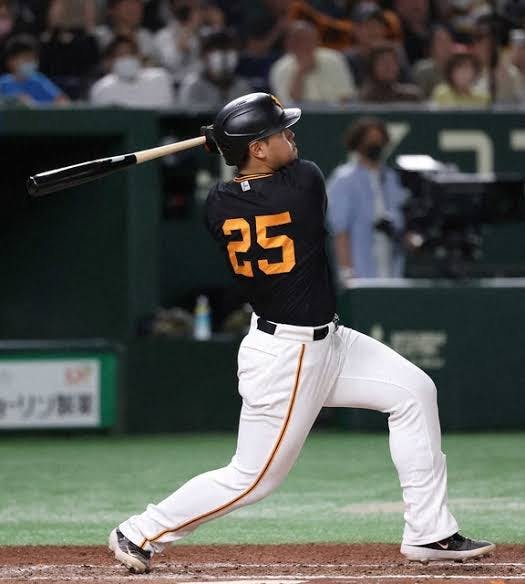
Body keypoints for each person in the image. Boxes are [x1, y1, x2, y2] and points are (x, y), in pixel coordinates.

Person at [108, 92, 495, 574]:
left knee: (414, 392)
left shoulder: (219, 203)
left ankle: (429, 533)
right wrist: (226, 140)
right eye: (278, 132)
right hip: (287, 356)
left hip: (328, 342)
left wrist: (228, 143)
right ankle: (141, 530)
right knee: (252, 478)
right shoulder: (304, 184)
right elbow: (282, 168)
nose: (291, 135)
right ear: (256, 149)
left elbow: (248, 176)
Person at [327, 117, 407, 281]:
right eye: (369, 140)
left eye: (379, 140)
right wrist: (346, 271)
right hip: (361, 274)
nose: (375, 145)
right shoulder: (344, 180)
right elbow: (340, 231)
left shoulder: (392, 178)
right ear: (358, 143)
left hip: (393, 272)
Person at [269, 20, 356, 104]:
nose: (304, 44)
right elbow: (289, 105)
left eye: (308, 39)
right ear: (288, 43)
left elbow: (347, 98)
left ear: (317, 41)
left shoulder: (333, 59)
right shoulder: (280, 68)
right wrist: (300, 72)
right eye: (298, 40)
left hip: (334, 113)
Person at [89, 35, 174, 107]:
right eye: (121, 55)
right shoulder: (101, 89)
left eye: (130, 53)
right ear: (109, 61)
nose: (126, 58)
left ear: (139, 56)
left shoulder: (160, 78)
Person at [178, 28, 252, 109]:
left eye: (228, 49)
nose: (223, 54)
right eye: (217, 49)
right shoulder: (193, 86)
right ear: (204, 55)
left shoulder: (242, 86)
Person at [0, 34, 69, 104]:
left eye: (33, 58)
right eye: (26, 58)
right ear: (11, 61)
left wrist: (34, 104)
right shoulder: (3, 84)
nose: (30, 62)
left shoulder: (40, 80)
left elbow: (63, 101)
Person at [412, 24, 456, 98]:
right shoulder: (423, 70)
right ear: (432, 45)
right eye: (440, 41)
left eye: (448, 40)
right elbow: (420, 99)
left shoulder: (458, 68)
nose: (445, 45)